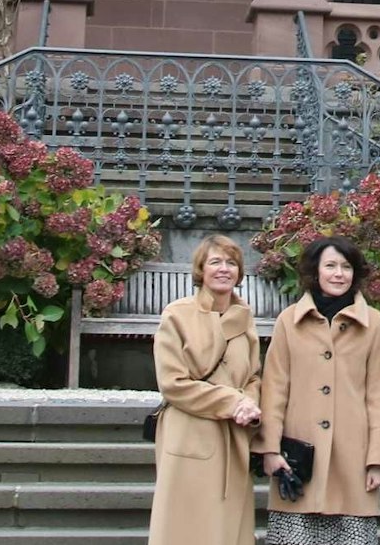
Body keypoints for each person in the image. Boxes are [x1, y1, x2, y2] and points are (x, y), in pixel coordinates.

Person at [257, 235, 380, 545]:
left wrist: (377, 459)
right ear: (315, 271)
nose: (338, 274)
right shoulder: (288, 322)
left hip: (354, 460)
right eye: (330, 265)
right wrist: (269, 449)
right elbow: (274, 389)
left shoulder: (373, 324)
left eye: (346, 267)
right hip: (297, 460)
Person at [149, 233, 263, 545]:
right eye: (215, 262)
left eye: (231, 262)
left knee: (227, 529)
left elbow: (252, 376)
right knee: (186, 527)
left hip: (234, 437)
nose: (224, 269)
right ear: (201, 269)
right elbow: (173, 383)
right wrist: (232, 401)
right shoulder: (178, 313)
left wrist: (250, 403)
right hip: (189, 433)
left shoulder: (245, 317)